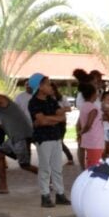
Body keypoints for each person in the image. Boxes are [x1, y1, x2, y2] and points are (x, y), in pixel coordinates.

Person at [27, 73, 70, 208]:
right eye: (47, 83)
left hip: (56, 137)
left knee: (57, 168)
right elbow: (41, 120)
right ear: (39, 87)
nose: (50, 86)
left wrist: (48, 119)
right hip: (43, 139)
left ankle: (60, 194)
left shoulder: (51, 100)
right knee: (45, 168)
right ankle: (45, 195)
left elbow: (61, 117)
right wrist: (50, 119)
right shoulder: (33, 102)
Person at [0, 91, 37, 194]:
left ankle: (50, 180)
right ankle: (3, 186)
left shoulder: (2, 98)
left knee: (25, 165)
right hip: (14, 137)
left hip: (21, 135)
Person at [77, 83, 104, 169]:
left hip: (88, 139)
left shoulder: (83, 106)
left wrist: (81, 133)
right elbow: (89, 124)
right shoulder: (93, 108)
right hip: (95, 140)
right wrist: (81, 132)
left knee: (90, 161)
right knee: (94, 164)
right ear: (93, 94)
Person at [52, 82, 74, 165]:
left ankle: (69, 157)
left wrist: (60, 110)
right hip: (52, 122)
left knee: (59, 141)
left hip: (61, 123)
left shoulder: (62, 98)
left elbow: (69, 108)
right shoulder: (46, 100)